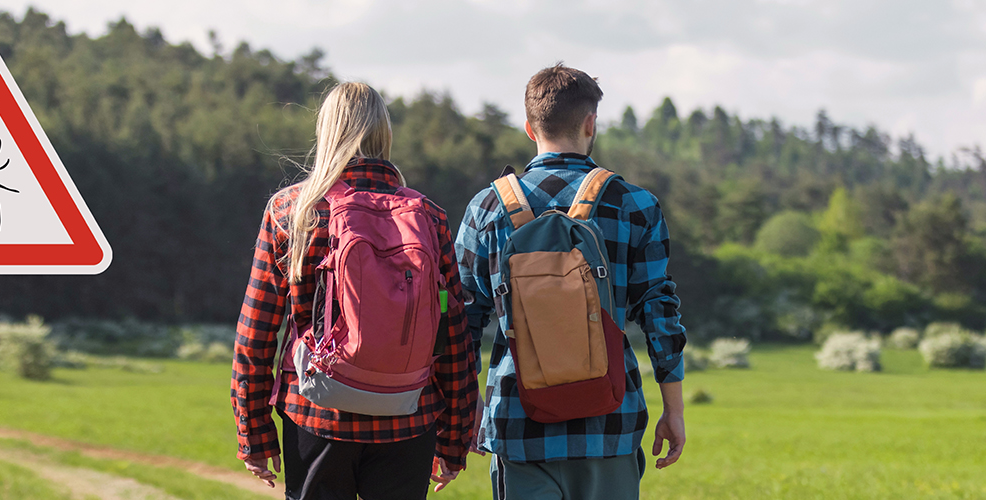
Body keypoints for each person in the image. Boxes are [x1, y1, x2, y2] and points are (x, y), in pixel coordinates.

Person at [231, 81, 478, 500]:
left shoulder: (293, 211)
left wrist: (253, 434)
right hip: (408, 415)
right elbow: (453, 335)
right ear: (384, 133)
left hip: (315, 413)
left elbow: (256, 333)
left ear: (326, 132)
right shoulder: (428, 218)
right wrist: (454, 441)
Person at [455, 63, 688, 500]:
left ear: (529, 128)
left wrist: (467, 410)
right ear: (590, 123)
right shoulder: (635, 204)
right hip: (610, 422)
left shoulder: (487, 207)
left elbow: (461, 319)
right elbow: (660, 313)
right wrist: (672, 409)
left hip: (518, 423)